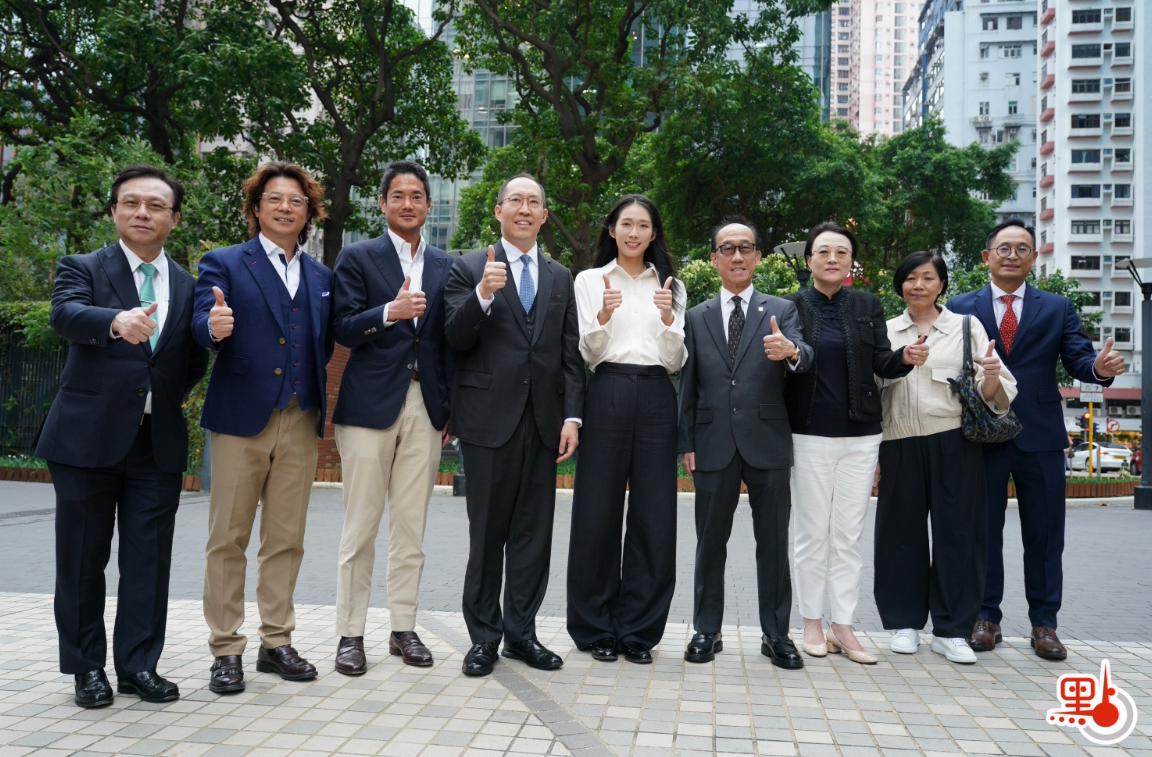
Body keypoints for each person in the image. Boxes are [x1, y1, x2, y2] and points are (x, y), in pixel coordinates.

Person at [36, 164, 210, 707]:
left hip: (156, 442)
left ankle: (138, 665)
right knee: (82, 559)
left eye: (156, 206)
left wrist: (156, 397)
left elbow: (191, 362)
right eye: (131, 203)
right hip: (86, 440)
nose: (142, 213)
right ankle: (87, 668)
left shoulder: (188, 284)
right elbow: (65, 314)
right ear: (114, 211)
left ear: (174, 219)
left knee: (148, 562)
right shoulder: (84, 267)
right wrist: (115, 321)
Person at [947, 219, 1124, 660]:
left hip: (1040, 435)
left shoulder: (1057, 307)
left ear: (1034, 258)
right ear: (987, 257)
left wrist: (1099, 369)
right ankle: (985, 617)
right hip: (980, 433)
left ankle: (1044, 624)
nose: (1012, 255)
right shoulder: (960, 307)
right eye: (1004, 248)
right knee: (982, 532)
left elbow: (1080, 359)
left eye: (1022, 249)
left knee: (1045, 536)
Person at [192, 162, 335, 694]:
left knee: (286, 539)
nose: (284, 208)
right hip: (240, 420)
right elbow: (200, 320)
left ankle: (276, 642)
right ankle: (226, 648)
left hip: (299, 418)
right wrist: (211, 326)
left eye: (296, 201)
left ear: (308, 214)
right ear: (256, 208)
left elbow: (328, 341)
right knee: (227, 538)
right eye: (274, 198)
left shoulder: (321, 276)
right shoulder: (226, 262)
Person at [444, 174, 585, 677]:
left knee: (532, 536)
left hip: (544, 423)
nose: (525, 209)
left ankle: (521, 635)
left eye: (534, 202)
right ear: (499, 211)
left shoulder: (561, 276)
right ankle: (484, 638)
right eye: (516, 201)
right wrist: (483, 294)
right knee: (486, 536)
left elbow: (570, 354)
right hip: (487, 422)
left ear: (544, 216)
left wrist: (572, 416)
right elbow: (453, 337)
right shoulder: (467, 267)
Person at [329, 161, 454, 673]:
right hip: (368, 406)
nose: (407, 203)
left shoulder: (446, 264)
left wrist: (449, 408)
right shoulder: (358, 257)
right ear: (382, 204)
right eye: (397, 195)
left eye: (416, 196)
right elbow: (342, 327)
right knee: (360, 527)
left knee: (411, 527)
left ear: (429, 205)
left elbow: (448, 342)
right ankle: (350, 634)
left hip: (427, 406)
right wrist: (389, 313)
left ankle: (403, 629)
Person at [782, 222, 924, 665]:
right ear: (809, 260)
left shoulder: (867, 304)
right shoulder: (789, 306)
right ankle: (810, 621)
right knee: (811, 534)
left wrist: (903, 358)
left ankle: (842, 626)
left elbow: (881, 359)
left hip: (862, 435)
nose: (832, 258)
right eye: (823, 251)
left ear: (851, 263)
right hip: (807, 434)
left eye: (841, 252)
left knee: (848, 536)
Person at [677, 216, 814, 670]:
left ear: (757, 257)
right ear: (714, 259)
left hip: (767, 441)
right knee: (709, 543)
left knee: (773, 543)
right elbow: (689, 385)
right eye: (727, 248)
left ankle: (776, 634)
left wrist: (791, 353)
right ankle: (706, 629)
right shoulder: (696, 317)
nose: (737, 256)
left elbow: (803, 353)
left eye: (746, 248)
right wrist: (686, 441)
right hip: (711, 442)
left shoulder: (782, 309)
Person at [876, 251, 1017, 665]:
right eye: (910, 278)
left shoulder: (965, 327)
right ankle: (904, 624)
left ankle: (952, 630)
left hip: (954, 441)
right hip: (898, 440)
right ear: (900, 285)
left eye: (928, 277)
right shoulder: (885, 330)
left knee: (959, 536)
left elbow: (997, 391)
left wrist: (990, 378)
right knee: (900, 535)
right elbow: (870, 385)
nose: (918, 285)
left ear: (941, 285)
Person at [567, 195, 687, 664]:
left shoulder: (670, 286)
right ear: (612, 230)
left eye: (643, 226)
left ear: (654, 234)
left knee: (654, 515)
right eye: (626, 224)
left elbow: (675, 361)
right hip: (608, 389)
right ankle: (595, 627)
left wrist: (668, 321)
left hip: (657, 393)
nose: (634, 233)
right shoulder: (589, 280)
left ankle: (638, 630)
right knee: (596, 511)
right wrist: (601, 318)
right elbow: (589, 353)